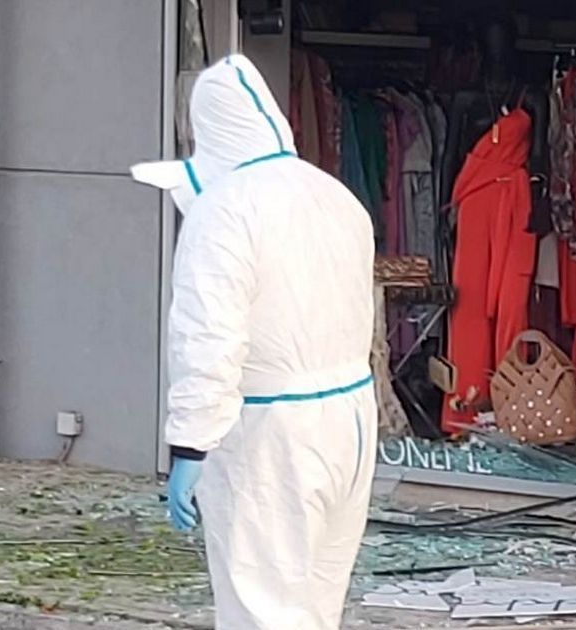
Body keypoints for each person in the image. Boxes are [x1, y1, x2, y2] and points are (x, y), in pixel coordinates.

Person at [130, 55, 378, 630]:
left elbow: (207, 338)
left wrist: (190, 444)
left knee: (262, 607)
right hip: (349, 416)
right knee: (317, 602)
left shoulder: (224, 209)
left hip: (271, 428)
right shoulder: (335, 196)